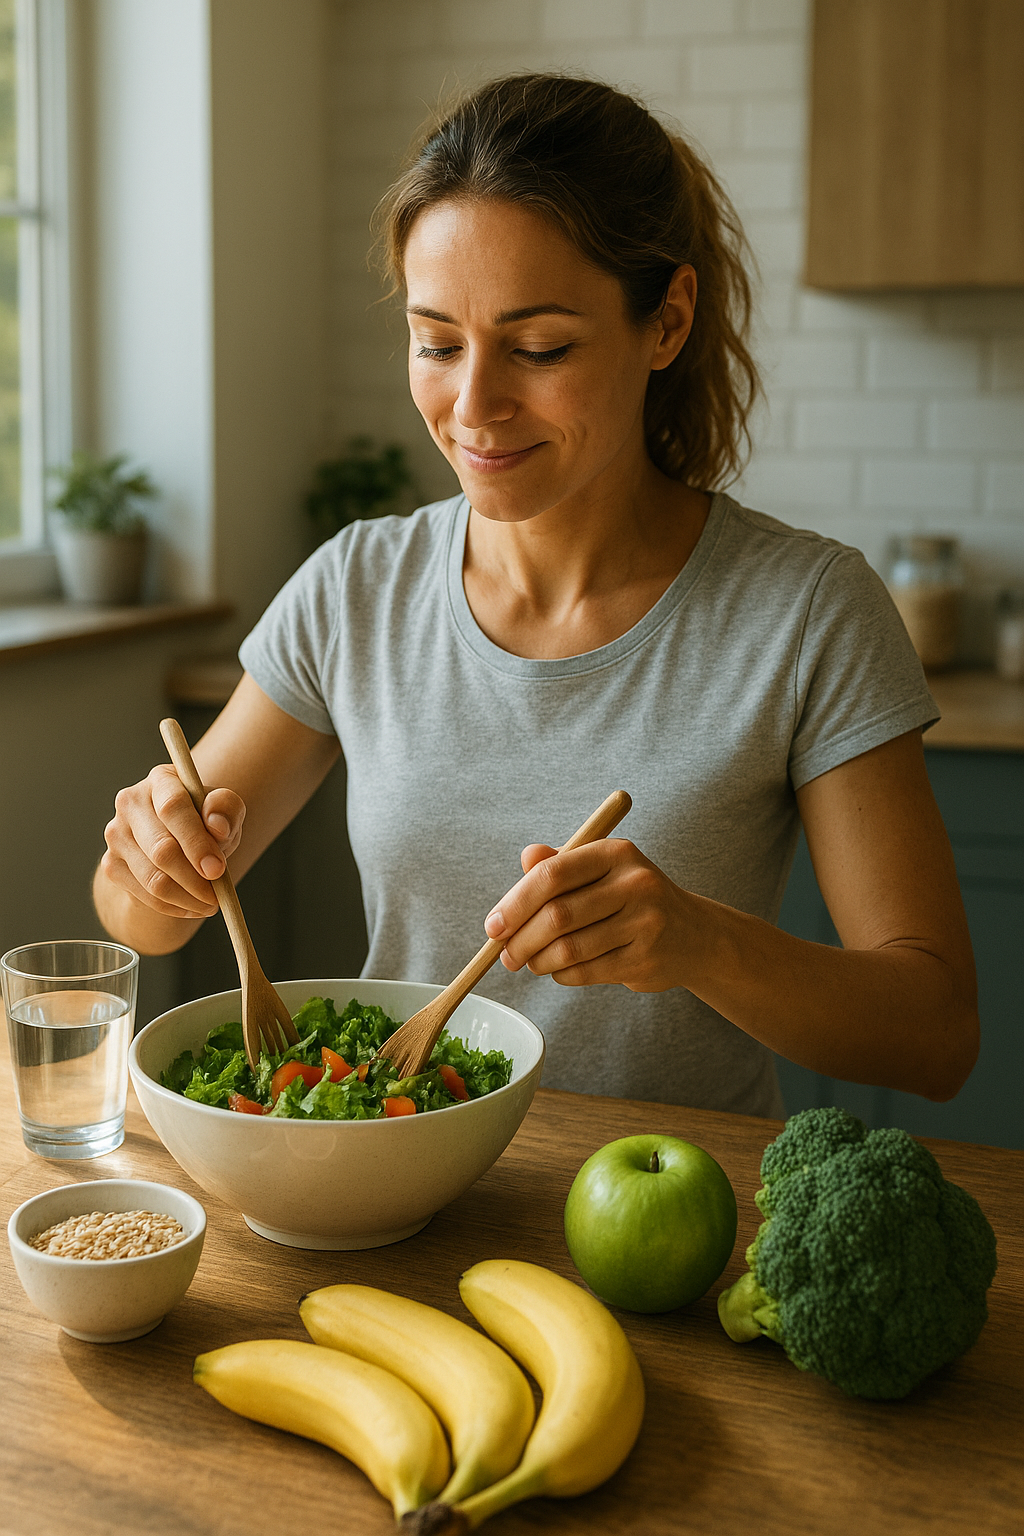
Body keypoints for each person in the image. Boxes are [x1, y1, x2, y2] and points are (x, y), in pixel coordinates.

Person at [94, 74, 978, 1117]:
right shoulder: (356, 588)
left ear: (667, 321)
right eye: (437, 343)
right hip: (399, 1183)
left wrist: (700, 941)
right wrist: (150, 867)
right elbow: (137, 916)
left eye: (539, 348)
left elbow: (937, 1035)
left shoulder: (808, 612)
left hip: (687, 1202)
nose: (473, 405)